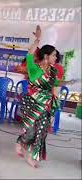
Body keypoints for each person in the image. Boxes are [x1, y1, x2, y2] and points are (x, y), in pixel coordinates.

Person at [15, 25, 77, 168]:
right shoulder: (33, 67)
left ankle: (33, 156)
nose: (56, 57)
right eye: (54, 55)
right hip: (31, 103)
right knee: (30, 131)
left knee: (41, 131)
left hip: (46, 104)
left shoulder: (54, 71)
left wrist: (66, 82)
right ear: (46, 55)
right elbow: (30, 53)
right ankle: (21, 141)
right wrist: (37, 39)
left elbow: (54, 84)